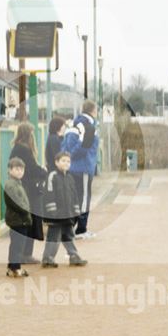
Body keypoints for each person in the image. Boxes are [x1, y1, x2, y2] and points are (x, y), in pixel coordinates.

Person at [41, 151, 88, 268]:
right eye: (63, 161)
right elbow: (49, 195)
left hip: (68, 214)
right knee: (54, 237)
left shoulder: (70, 178)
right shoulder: (52, 176)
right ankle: (48, 258)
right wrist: (52, 212)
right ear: (56, 162)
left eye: (68, 161)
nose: (66, 163)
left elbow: (74, 196)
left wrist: (76, 212)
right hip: (56, 215)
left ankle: (74, 256)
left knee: (69, 235)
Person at [8, 122, 47, 263]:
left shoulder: (16, 148)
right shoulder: (25, 150)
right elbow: (32, 168)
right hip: (29, 191)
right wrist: (43, 171)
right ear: (28, 135)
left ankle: (21, 254)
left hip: (24, 188)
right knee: (30, 220)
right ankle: (26, 254)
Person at [61, 100, 100, 238]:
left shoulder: (72, 123)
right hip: (83, 166)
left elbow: (65, 145)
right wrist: (75, 155)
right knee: (84, 198)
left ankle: (70, 227)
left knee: (74, 198)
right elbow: (85, 146)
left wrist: (67, 159)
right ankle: (81, 229)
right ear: (93, 111)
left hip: (71, 168)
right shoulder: (89, 126)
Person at [4, 157, 32, 278]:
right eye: (16, 169)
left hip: (18, 219)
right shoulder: (11, 185)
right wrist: (26, 215)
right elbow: (17, 203)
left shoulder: (16, 183)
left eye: (21, 169)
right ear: (10, 170)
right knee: (18, 245)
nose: (20, 172)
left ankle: (12, 267)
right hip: (18, 220)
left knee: (15, 244)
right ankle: (16, 268)